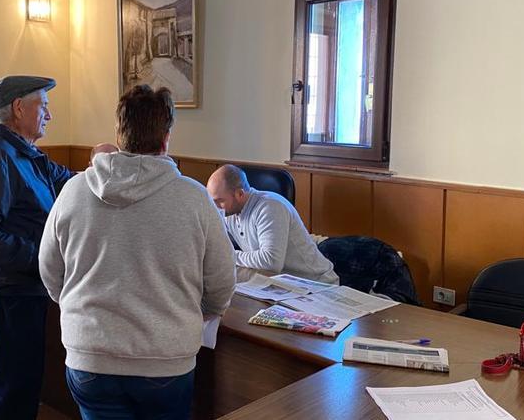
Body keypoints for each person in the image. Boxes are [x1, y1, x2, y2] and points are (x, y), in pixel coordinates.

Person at [38, 85, 235, 419]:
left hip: (90, 356)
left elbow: (48, 269)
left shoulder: (73, 191)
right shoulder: (195, 198)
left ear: (120, 134)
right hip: (165, 362)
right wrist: (206, 310)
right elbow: (221, 280)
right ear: (166, 138)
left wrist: (78, 305)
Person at [0, 75, 74, 420]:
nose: (49, 115)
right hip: (9, 292)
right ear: (19, 108)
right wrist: (40, 257)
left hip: (27, 286)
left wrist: (112, 169)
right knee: (13, 389)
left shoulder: (26, 153)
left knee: (24, 384)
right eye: (44, 106)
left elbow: (69, 180)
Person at [207, 164, 339, 284]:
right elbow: (216, 244)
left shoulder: (270, 207)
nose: (216, 207)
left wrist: (228, 254)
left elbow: (270, 261)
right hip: (280, 282)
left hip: (314, 283)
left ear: (240, 194)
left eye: (219, 201)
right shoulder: (230, 211)